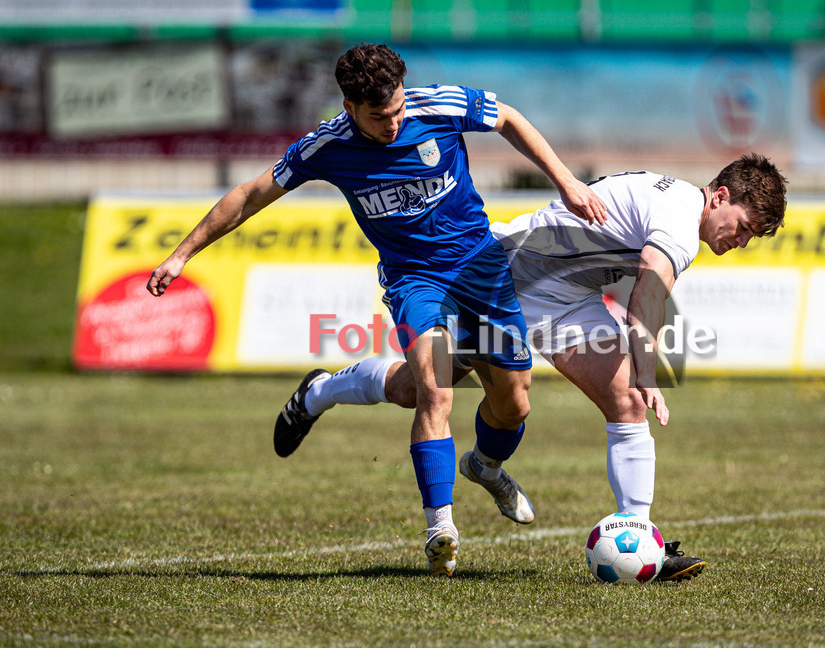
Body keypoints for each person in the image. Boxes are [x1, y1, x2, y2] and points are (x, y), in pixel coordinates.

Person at [147, 42, 608, 578]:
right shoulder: (327, 145)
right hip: (415, 281)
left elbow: (507, 117)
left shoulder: (439, 106)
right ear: (349, 107)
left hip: (481, 267)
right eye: (378, 117)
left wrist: (566, 181)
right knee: (434, 390)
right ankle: (440, 529)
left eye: (397, 110)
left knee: (514, 404)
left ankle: (474, 462)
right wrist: (182, 254)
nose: (392, 124)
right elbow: (251, 194)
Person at [281, 153, 787, 581]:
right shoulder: (679, 217)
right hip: (506, 280)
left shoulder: (676, 205)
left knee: (627, 402)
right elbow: (647, 296)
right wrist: (650, 371)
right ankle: (319, 392)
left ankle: (640, 540)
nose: (741, 241)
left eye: (752, 237)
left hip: (567, 300)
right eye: (743, 227)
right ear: (720, 196)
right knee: (413, 390)